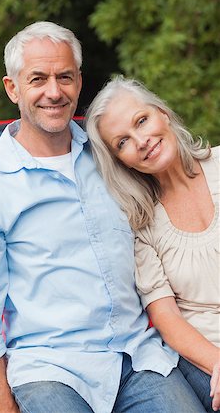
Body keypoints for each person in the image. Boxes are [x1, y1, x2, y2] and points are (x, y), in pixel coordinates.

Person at [0, 22, 207, 413]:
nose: (54, 91)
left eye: (64, 77)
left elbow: (179, 208)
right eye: (38, 79)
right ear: (12, 88)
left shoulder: (112, 157)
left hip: (139, 357)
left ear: (79, 82)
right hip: (51, 369)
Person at [85, 75, 220, 412]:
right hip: (205, 354)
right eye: (123, 142)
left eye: (142, 121)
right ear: (121, 162)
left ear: (163, 113)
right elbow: (167, 318)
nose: (142, 141)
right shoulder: (141, 224)